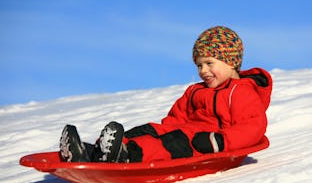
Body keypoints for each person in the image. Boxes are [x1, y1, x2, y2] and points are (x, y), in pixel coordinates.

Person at [59, 26, 272, 163]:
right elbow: (174, 120)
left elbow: (253, 126)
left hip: (205, 141)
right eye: (199, 65)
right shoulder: (195, 90)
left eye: (209, 63)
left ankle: (126, 155)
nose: (203, 71)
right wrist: (156, 130)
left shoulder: (241, 91)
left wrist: (221, 142)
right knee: (150, 130)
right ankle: (94, 151)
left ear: (231, 62)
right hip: (183, 130)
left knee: (171, 143)